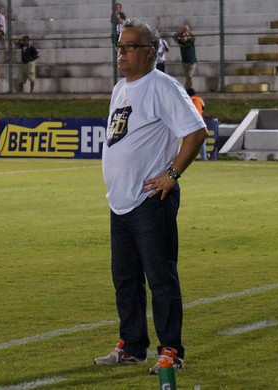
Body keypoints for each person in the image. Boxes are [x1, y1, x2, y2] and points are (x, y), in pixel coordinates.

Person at [94, 18, 207, 377]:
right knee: (125, 278)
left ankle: (171, 350)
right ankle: (132, 346)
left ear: (149, 52)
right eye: (119, 47)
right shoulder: (120, 88)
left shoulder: (163, 86)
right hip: (120, 200)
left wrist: (171, 174)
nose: (121, 53)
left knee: (161, 278)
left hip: (149, 200)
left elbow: (195, 132)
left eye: (128, 47)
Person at [187, 87, 207, 160]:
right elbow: (203, 107)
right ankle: (204, 157)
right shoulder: (199, 99)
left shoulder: (187, 99)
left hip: (190, 121)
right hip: (200, 120)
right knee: (202, 139)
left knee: (190, 140)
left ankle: (189, 158)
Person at [173, 24, 197, 89]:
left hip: (192, 62)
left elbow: (193, 37)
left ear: (187, 37)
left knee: (189, 76)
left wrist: (188, 31)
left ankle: (186, 89)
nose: (183, 38)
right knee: (188, 77)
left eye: (184, 37)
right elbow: (174, 37)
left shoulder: (190, 42)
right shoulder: (180, 42)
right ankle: (190, 88)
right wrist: (181, 31)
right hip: (184, 62)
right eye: (182, 37)